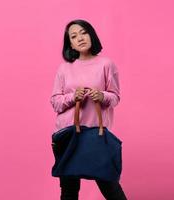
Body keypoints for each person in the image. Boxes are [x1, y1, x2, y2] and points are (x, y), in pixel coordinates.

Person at [50, 19, 127, 200]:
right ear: (70, 43)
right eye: (74, 36)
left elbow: (115, 97)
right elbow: (55, 102)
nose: (80, 38)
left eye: (83, 33)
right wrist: (72, 97)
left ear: (91, 34)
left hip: (96, 135)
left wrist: (102, 96)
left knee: (111, 188)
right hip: (67, 135)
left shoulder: (106, 64)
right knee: (69, 191)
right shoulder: (64, 68)